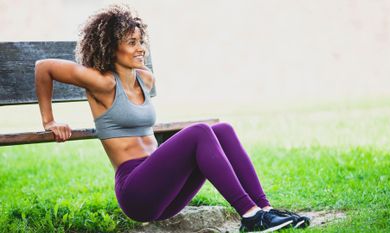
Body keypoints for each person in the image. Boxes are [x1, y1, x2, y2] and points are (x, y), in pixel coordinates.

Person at [34, 4, 310, 232]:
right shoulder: (102, 83)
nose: (140, 48)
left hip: (165, 190)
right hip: (136, 191)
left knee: (221, 129)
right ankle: (250, 216)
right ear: (111, 47)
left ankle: (265, 210)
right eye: (131, 43)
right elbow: (43, 67)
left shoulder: (145, 79)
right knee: (200, 131)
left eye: (141, 41)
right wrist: (50, 121)